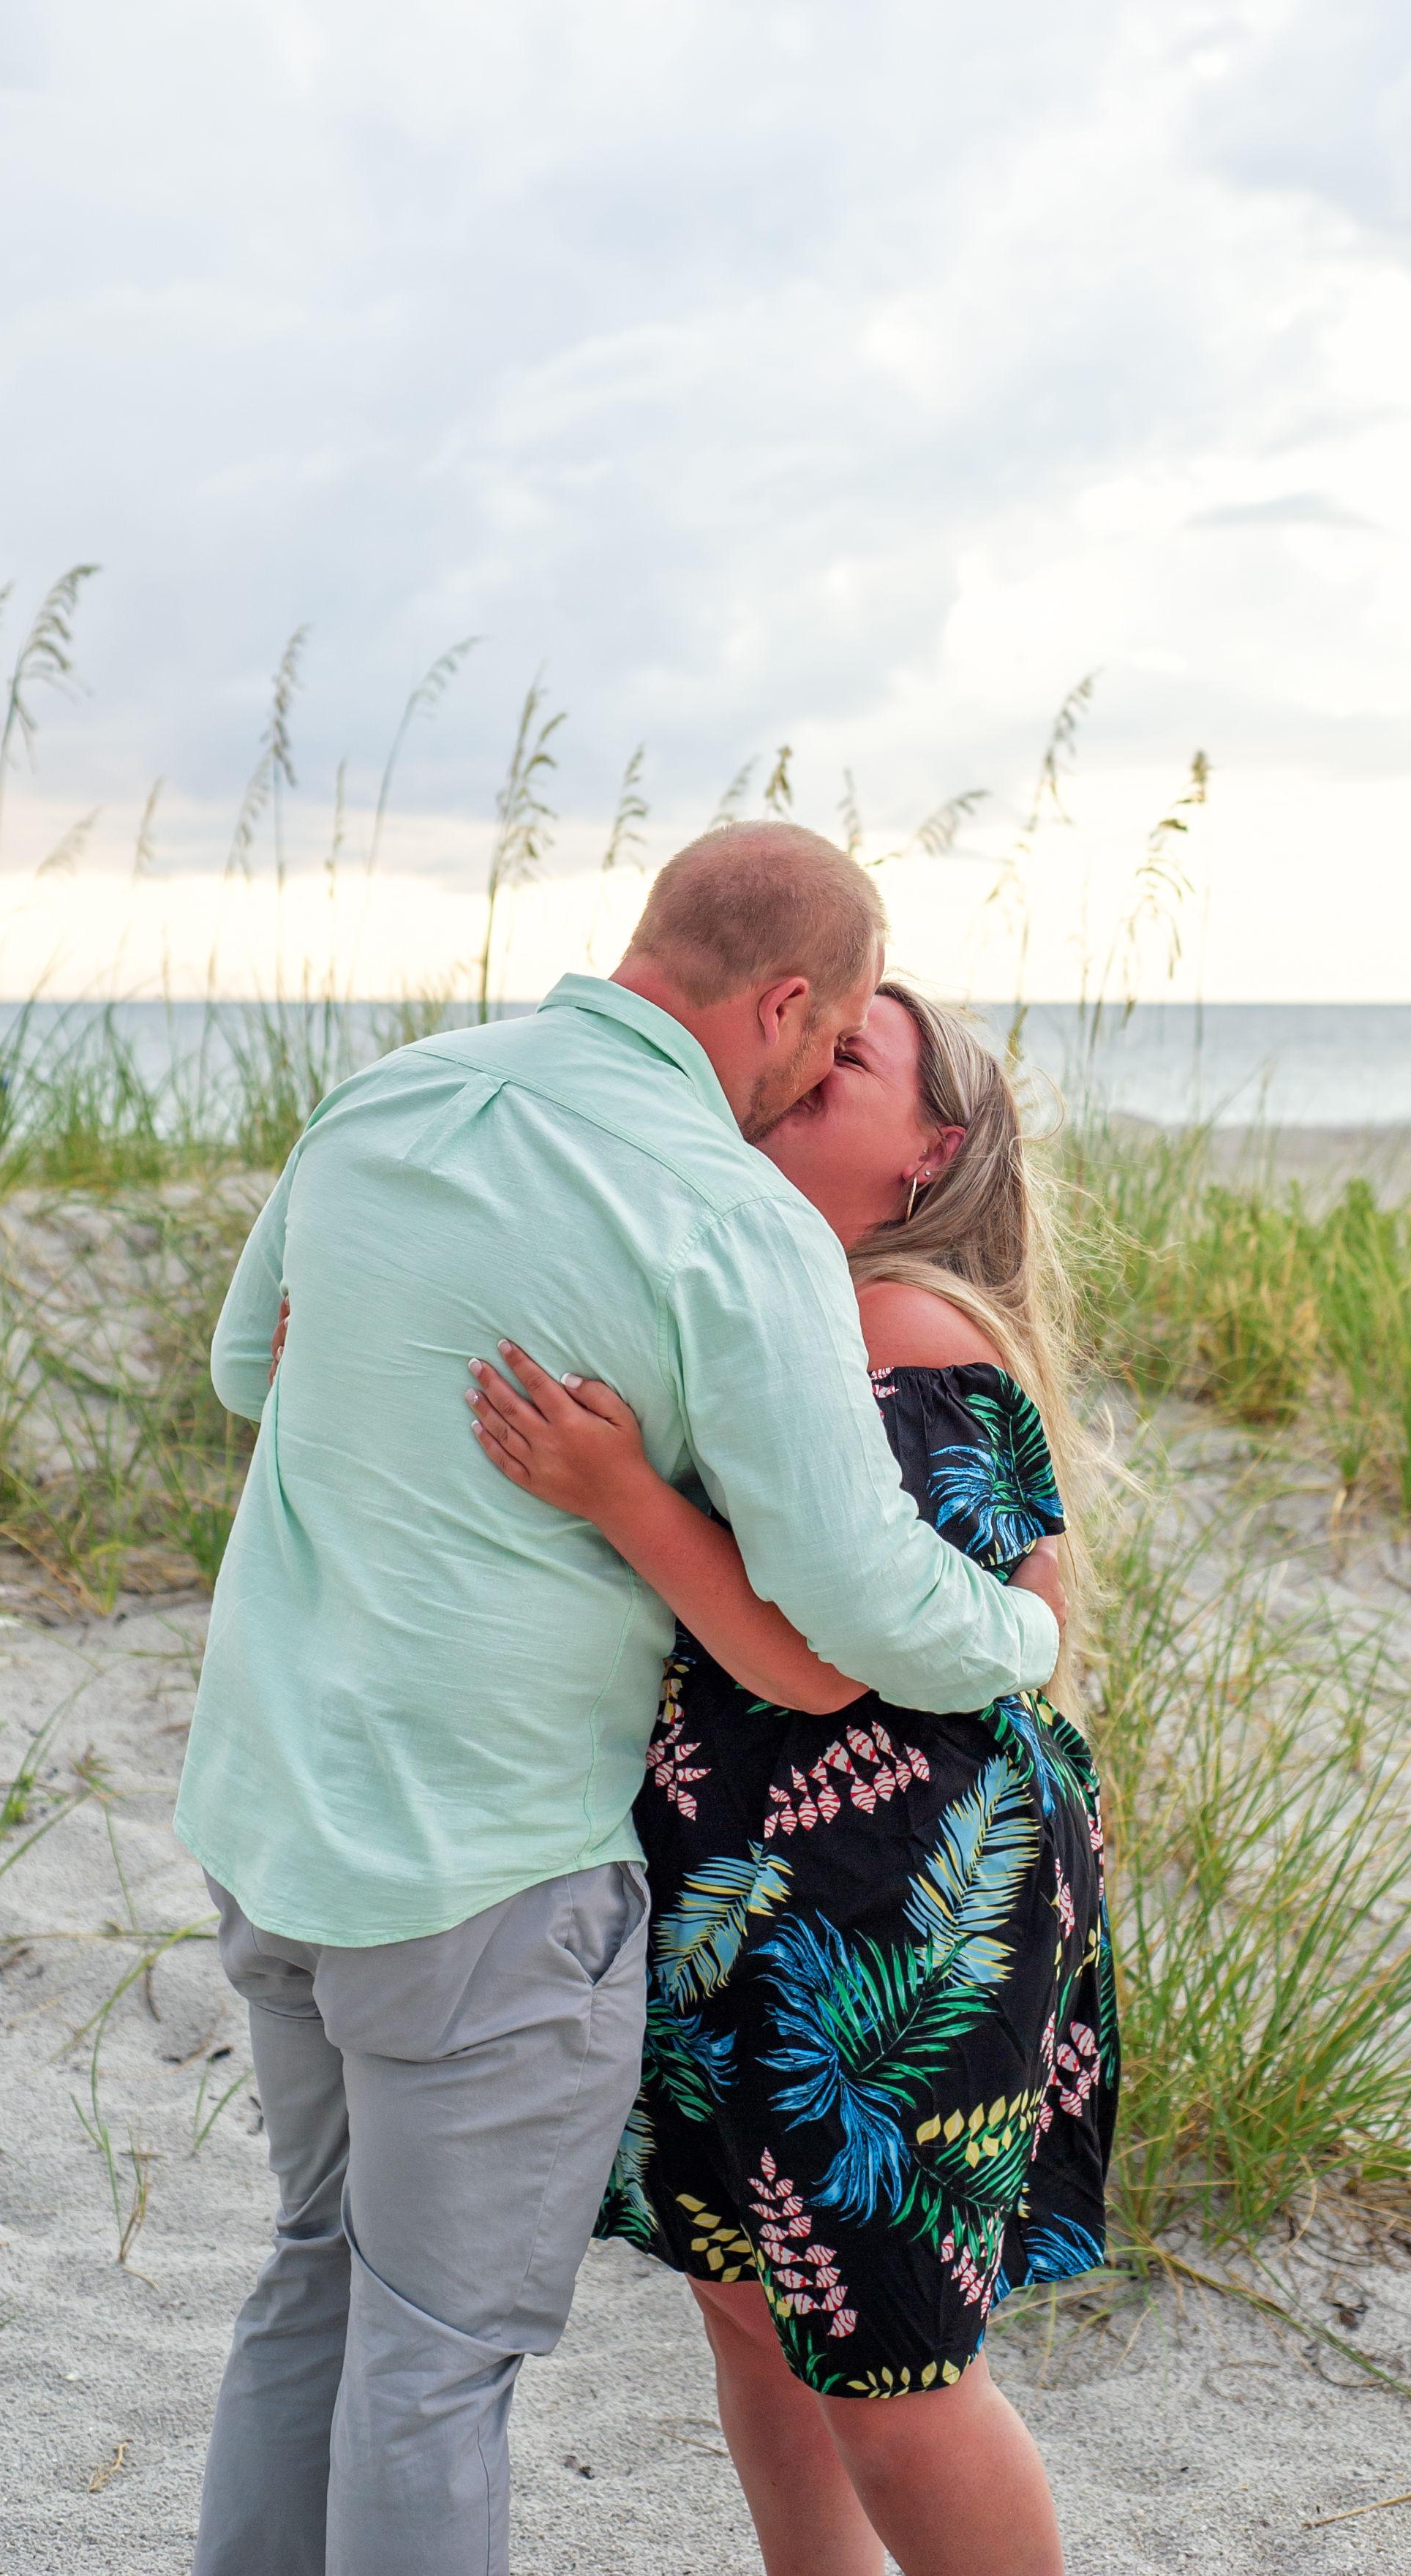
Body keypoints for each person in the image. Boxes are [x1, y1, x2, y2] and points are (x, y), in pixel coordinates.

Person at [174, 824, 1063, 2576]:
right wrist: (1027, 1637)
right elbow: (857, 1609)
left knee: (314, 2278)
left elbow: (242, 1367)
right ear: (787, 1004)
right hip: (478, 1866)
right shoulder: (725, 1218)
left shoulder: (388, 1097)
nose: (818, 1072)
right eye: (834, 1035)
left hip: (272, 1813)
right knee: (433, 2363)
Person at [466, 979, 1117, 2576]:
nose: (814, 1054)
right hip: (745, 1873)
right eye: (811, 1033)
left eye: (855, 1052)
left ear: (933, 1148)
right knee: (755, 2319)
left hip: (892, 1897)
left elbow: (848, 1643)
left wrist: (622, 1492)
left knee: (894, 2368)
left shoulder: (899, 1326)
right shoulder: (768, 1291)